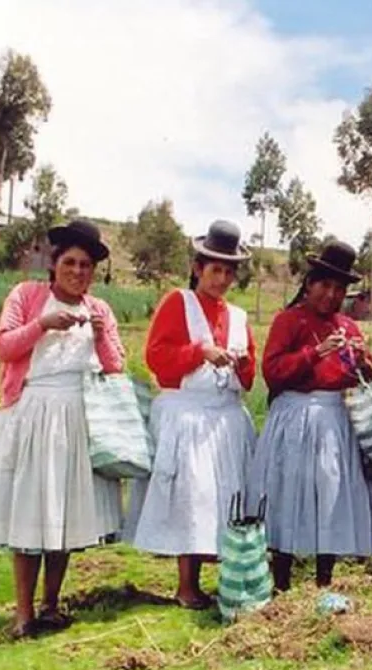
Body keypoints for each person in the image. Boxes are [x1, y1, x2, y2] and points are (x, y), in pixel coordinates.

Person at [0, 220, 125, 639]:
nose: (77, 271)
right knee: (30, 512)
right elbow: (3, 346)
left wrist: (103, 337)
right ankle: (23, 612)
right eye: (69, 262)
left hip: (77, 417)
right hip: (32, 414)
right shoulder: (28, 296)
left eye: (85, 265)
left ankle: (52, 603)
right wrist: (43, 325)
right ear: (54, 265)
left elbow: (116, 367)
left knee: (63, 512)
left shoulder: (99, 310)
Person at [126, 220, 257, 610]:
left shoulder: (237, 316)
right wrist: (199, 351)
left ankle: (229, 574)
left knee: (225, 495)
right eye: (215, 269)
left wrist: (242, 363)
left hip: (225, 416)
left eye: (229, 271)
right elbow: (157, 358)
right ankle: (186, 583)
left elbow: (249, 378)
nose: (222, 279)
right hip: (188, 413)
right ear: (199, 269)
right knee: (193, 495)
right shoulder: (178, 304)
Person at [250, 240, 372, 591]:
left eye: (339, 288)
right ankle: (281, 580)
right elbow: (274, 372)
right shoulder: (289, 320)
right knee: (288, 491)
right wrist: (314, 353)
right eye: (324, 285)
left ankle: (323, 581)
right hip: (295, 416)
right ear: (309, 284)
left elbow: (368, 377)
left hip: (336, 419)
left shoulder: (348, 326)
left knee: (331, 492)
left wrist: (364, 360)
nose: (331, 294)